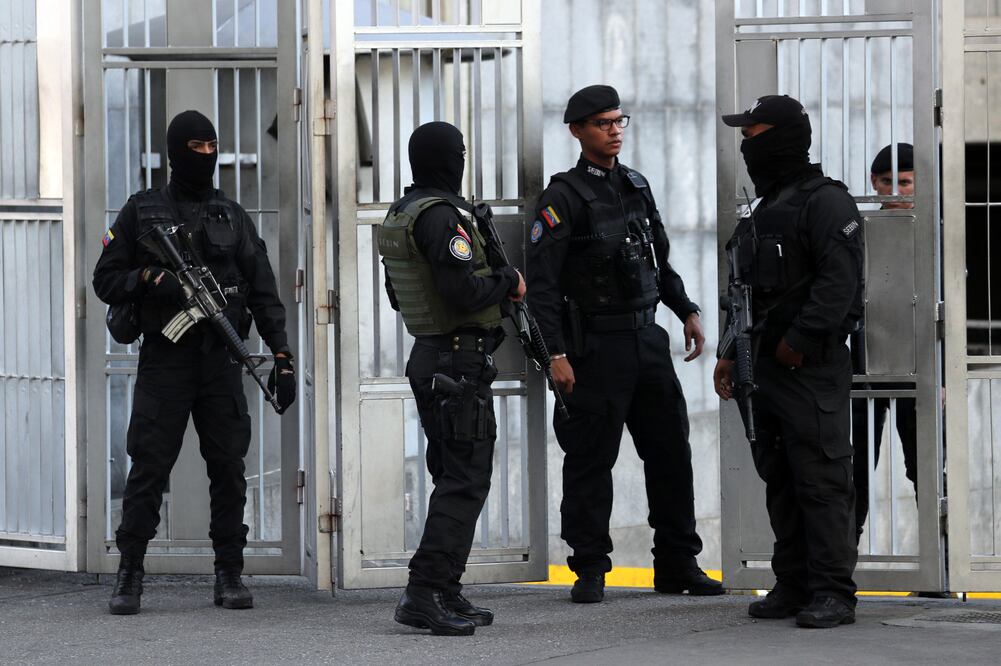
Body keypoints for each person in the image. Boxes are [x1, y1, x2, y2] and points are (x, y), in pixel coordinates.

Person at [93, 110, 296, 615]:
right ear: (175, 150)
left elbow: (265, 291)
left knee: (228, 469)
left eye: (212, 146)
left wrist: (282, 356)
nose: (206, 156)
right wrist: (147, 280)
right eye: (196, 147)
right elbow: (104, 279)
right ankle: (129, 573)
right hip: (166, 360)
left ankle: (229, 572)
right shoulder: (142, 213)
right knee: (148, 469)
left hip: (221, 362)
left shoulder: (232, 215)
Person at [526, 84, 721, 604]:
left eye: (618, 121)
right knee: (590, 461)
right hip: (594, 348)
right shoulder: (562, 196)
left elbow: (659, 258)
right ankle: (589, 567)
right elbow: (541, 286)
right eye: (601, 123)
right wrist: (555, 355)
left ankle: (678, 563)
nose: (614, 131)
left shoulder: (635, 185)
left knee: (671, 455)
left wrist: (686, 311)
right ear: (577, 131)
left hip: (646, 339)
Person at [715, 95, 863, 628]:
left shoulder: (826, 203)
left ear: (781, 138)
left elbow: (839, 285)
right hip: (764, 368)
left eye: (752, 133)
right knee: (779, 476)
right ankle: (794, 582)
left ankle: (833, 592)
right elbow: (742, 292)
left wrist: (800, 339)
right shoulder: (764, 209)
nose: (745, 144)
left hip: (809, 367)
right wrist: (730, 352)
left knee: (820, 479)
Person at [380, 121, 526, 636]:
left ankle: (445, 587)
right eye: (458, 153)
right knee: (465, 477)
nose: (462, 160)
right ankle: (423, 591)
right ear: (447, 158)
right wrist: (508, 280)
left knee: (454, 474)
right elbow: (462, 292)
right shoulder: (441, 218)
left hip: (436, 358)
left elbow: (403, 294)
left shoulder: (403, 213)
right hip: (455, 362)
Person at [852, 143, 918, 542]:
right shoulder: (859, 231)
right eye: (887, 182)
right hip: (865, 362)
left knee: (927, 471)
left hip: (922, 363)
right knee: (855, 469)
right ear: (873, 183)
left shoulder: (937, 234)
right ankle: (841, 568)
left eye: (906, 183)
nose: (895, 192)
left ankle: (938, 573)